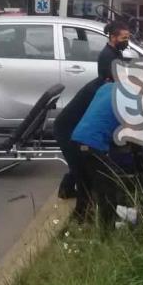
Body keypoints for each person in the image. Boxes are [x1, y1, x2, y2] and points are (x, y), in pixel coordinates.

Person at [71, 82, 136, 226]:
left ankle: (81, 222)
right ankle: (106, 232)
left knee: (89, 187)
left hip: (77, 138)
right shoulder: (134, 98)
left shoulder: (107, 87)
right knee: (108, 188)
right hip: (93, 143)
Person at [53, 76, 107, 215]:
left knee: (79, 164)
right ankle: (81, 213)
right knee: (81, 170)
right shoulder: (97, 90)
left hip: (72, 127)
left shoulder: (99, 84)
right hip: (67, 128)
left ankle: (66, 190)